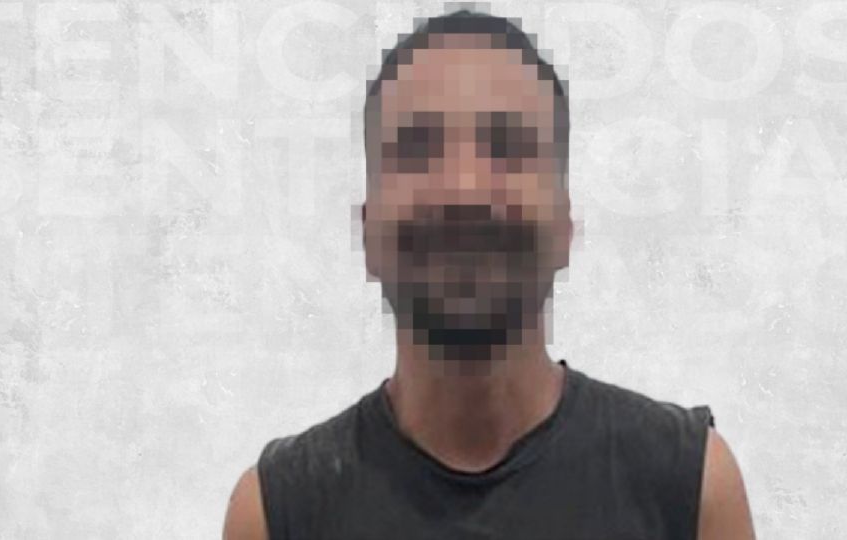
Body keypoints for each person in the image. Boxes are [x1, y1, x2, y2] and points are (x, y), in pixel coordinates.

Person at [224, 8, 755, 539]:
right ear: (367, 233)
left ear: (565, 225)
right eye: (418, 148)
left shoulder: (686, 487)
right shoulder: (278, 511)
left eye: (508, 147)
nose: (465, 189)